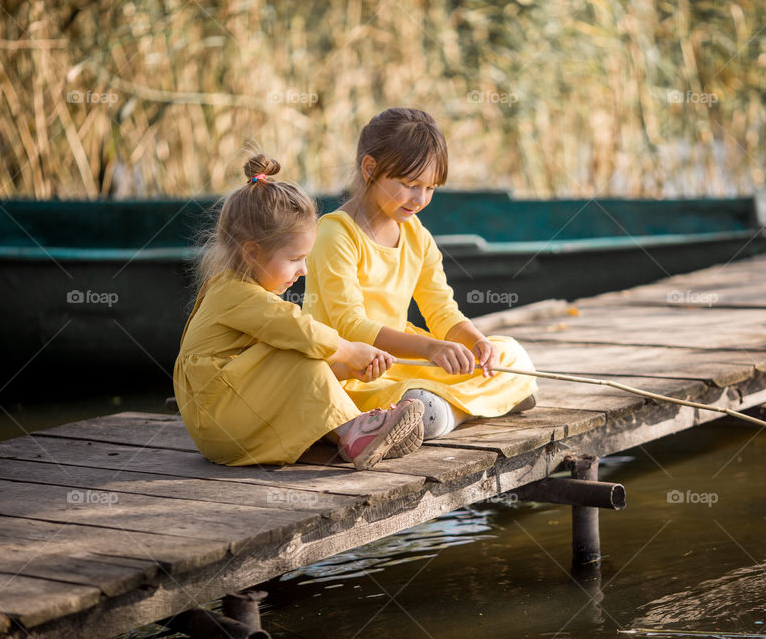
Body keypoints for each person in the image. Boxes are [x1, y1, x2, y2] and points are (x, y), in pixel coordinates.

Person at [173, 154, 424, 469]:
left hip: (227, 418)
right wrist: (349, 351)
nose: (303, 270)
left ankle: (349, 431)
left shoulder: (234, 288)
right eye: (294, 259)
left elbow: (278, 378)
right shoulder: (236, 295)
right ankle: (355, 433)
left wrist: (344, 370)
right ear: (252, 252)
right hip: (221, 423)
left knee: (297, 348)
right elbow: (300, 329)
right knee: (298, 343)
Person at [304, 108, 537, 439]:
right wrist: (429, 348)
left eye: (430, 188)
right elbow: (350, 325)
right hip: (354, 368)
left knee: (511, 354)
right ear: (370, 169)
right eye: (410, 185)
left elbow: (441, 310)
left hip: (402, 360)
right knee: (407, 397)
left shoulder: (417, 236)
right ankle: (460, 409)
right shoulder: (336, 233)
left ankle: (447, 411)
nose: (420, 199)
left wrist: (475, 341)